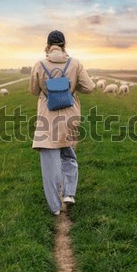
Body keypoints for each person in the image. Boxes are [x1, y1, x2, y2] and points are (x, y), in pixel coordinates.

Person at [29, 30, 95, 215]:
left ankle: (55, 208)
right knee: (68, 154)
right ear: (64, 44)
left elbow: (34, 91)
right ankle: (69, 194)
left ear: (48, 45)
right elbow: (89, 87)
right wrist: (72, 86)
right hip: (69, 115)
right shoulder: (75, 64)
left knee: (49, 162)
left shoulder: (39, 65)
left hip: (47, 117)